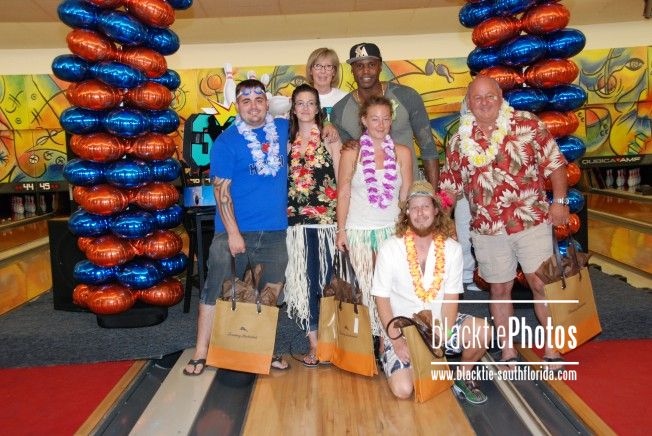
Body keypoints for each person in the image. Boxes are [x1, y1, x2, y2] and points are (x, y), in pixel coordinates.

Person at [440, 75, 569, 371]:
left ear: (500, 98)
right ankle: (508, 350)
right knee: (499, 289)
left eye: (490, 96)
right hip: (487, 228)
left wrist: (560, 202)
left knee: (541, 283)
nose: (484, 103)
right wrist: (440, 222)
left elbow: (555, 163)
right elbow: (449, 186)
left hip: (530, 220)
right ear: (468, 103)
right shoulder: (460, 140)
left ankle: (552, 347)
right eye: (477, 98)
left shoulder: (527, 124)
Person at [184, 79, 291, 376]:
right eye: (246, 101)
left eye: (259, 99)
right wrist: (233, 233)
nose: (253, 106)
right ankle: (201, 351)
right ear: (238, 106)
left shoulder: (283, 129)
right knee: (216, 289)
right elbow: (222, 191)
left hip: (276, 230)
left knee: (270, 292)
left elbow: (311, 123)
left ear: (267, 103)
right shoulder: (227, 141)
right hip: (234, 232)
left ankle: (264, 349)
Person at [371, 180, 491, 403]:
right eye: (414, 207)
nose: (420, 213)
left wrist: (443, 337)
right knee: (403, 390)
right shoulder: (390, 248)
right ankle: (401, 357)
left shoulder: (452, 249)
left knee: (482, 331)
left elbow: (451, 298)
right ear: (407, 213)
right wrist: (395, 340)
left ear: (436, 210)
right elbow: (381, 298)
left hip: (438, 326)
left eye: (425, 206)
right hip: (402, 330)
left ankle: (462, 376)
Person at [336, 95, 413, 335]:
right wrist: (341, 231)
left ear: (391, 121)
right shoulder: (352, 153)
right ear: (364, 120)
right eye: (375, 119)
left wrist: (407, 230)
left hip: (392, 231)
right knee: (366, 289)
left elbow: (406, 197)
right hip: (358, 232)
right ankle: (368, 340)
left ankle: (389, 341)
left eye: (386, 119)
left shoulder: (402, 153)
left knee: (391, 288)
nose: (381, 125)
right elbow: (343, 193)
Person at [284, 84, 341, 367]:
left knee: (327, 282)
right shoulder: (287, 143)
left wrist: (342, 224)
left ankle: (333, 341)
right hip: (297, 225)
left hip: (327, 223)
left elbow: (342, 181)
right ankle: (314, 343)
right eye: (300, 103)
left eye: (310, 103)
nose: (305, 108)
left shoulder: (330, 139)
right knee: (305, 282)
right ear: (293, 109)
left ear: (318, 108)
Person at [331, 42, 439, 188]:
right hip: (367, 195)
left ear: (380, 66)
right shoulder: (339, 111)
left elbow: (428, 148)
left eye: (371, 65)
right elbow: (346, 159)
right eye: (359, 66)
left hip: (409, 191)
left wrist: (432, 194)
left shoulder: (407, 96)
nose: (366, 71)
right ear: (352, 70)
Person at [305, 47, 347, 122]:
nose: (323, 71)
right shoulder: (300, 99)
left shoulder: (345, 99)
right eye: (318, 66)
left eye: (328, 66)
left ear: (334, 72)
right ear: (310, 70)